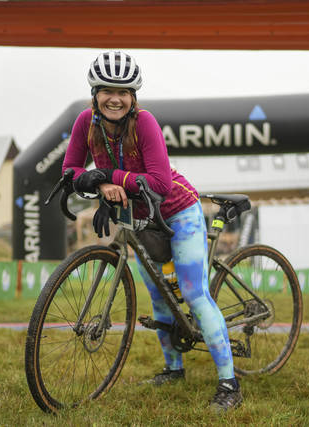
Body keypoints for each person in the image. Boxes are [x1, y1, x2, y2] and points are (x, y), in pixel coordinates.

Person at [61, 51, 242, 413]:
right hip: (137, 216)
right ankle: (174, 369)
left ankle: (229, 384)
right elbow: (71, 169)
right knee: (158, 298)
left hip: (178, 211)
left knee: (193, 293)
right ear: (95, 93)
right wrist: (99, 185)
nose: (115, 98)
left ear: (133, 97)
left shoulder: (144, 123)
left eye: (123, 92)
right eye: (107, 90)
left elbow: (159, 183)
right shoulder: (85, 122)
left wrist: (107, 176)